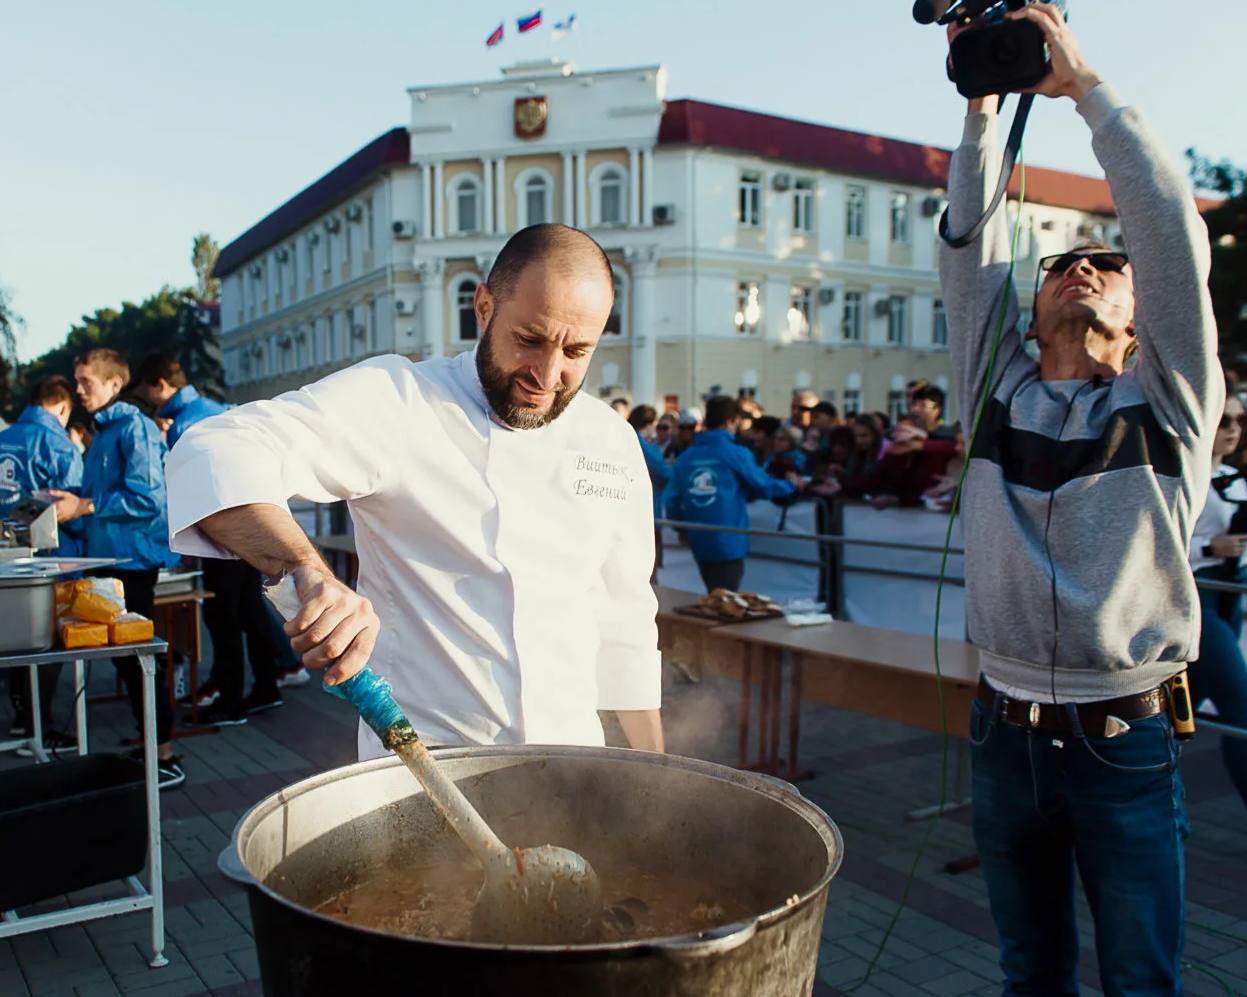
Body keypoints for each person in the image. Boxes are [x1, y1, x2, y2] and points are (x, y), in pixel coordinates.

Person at [941, 8, 1221, 992]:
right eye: (1062, 263)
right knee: (1030, 968)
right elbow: (967, 251)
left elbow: (1167, 231)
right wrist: (979, 110)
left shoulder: (1169, 401)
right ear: (1033, 302)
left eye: (1105, 264)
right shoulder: (995, 389)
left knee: (1140, 976)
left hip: (1123, 738)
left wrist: (1083, 89)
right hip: (1000, 731)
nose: (1082, 270)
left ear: (1141, 311)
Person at [166, 224, 663, 757]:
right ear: (485, 307)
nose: (547, 373)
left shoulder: (611, 440)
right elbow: (215, 448)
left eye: (576, 351)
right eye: (530, 340)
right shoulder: (402, 401)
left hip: (574, 768)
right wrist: (305, 571)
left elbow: (625, 625)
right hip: (423, 773)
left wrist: (656, 777)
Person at [51, 349, 185, 789]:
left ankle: (165, 754)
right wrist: (64, 500)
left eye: (86, 381)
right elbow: (96, 498)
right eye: (77, 381)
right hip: (107, 560)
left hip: (132, 561)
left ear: (113, 384)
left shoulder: (135, 428)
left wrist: (84, 505)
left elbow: (148, 500)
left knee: (140, 660)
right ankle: (150, 743)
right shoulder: (103, 432)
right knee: (127, 663)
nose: (79, 390)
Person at [133, 353, 285, 726]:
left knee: (223, 617)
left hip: (220, 532)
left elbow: (184, 486)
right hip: (249, 523)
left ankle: (231, 701)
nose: (150, 400)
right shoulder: (218, 409)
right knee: (249, 610)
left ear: (160, 385)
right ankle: (266, 687)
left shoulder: (185, 422)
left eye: (148, 392)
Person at [0, 376, 84, 751]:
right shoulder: (59, 444)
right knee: (46, 639)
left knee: (10, 637)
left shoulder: (4, 438)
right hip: (48, 558)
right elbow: (72, 505)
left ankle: (20, 718)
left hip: (5, 553)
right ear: (63, 407)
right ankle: (39, 724)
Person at [664, 395, 798, 593]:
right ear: (730, 421)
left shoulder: (686, 457)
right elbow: (762, 485)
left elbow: (671, 500)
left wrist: (682, 526)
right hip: (729, 540)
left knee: (715, 595)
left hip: (699, 539)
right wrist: (791, 485)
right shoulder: (735, 453)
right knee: (725, 602)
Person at [1187, 387, 1247, 812]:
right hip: (1197, 596)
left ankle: (1133, 783)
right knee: (1239, 708)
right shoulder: (1183, 477)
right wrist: (1211, 548)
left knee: (1178, 713)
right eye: (1225, 420)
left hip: (1231, 599)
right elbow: (1156, 545)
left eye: (1241, 421)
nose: (1234, 430)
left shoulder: (1239, 479)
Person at [627, 405, 670, 579]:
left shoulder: (621, 437)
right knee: (648, 573)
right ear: (650, 424)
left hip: (627, 508)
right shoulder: (643, 445)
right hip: (647, 509)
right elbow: (665, 473)